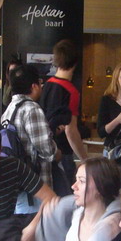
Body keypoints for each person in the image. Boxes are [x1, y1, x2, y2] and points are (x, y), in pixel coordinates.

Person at [0, 64, 57, 213]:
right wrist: (58, 152)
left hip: (17, 183)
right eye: (40, 82)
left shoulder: (9, 109)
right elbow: (47, 150)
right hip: (36, 187)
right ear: (34, 86)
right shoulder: (32, 109)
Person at [40, 39, 87, 194]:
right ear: (75, 63)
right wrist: (85, 159)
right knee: (68, 197)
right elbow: (71, 131)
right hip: (63, 153)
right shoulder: (71, 91)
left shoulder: (47, 85)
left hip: (45, 151)